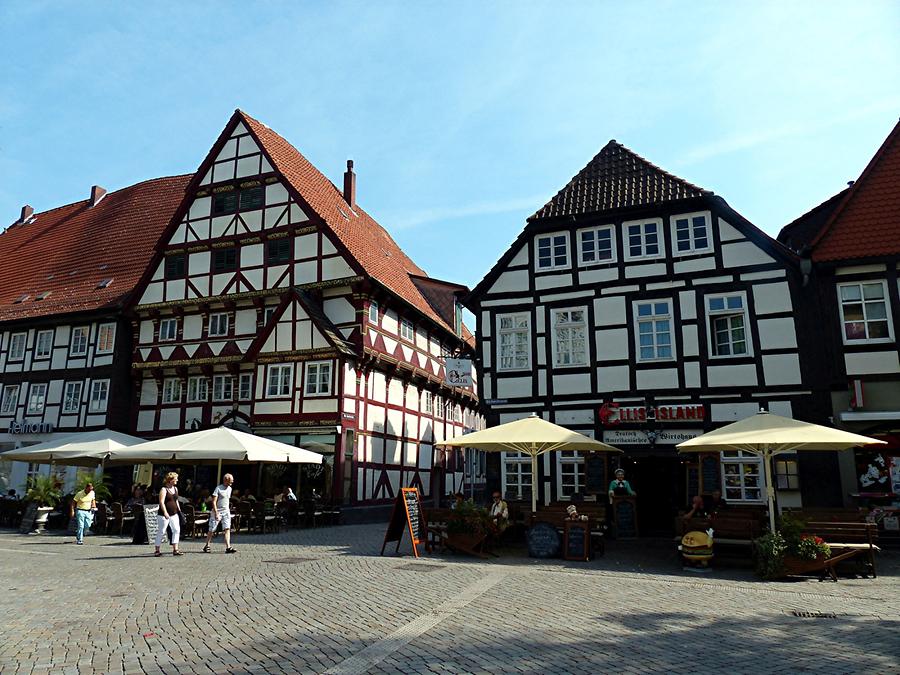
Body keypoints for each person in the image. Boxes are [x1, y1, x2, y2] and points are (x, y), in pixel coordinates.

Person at [203, 473, 237, 554]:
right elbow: (214, 501)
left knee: (227, 528)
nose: (232, 483)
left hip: (226, 511)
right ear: (225, 480)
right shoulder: (218, 488)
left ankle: (228, 547)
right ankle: (207, 545)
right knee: (212, 529)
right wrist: (216, 512)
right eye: (230, 481)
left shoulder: (230, 489)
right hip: (217, 511)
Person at [154, 472, 183, 557]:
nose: (177, 480)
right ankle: (157, 550)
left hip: (174, 513)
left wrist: (179, 510)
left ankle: (175, 549)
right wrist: (165, 512)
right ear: (170, 480)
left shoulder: (175, 489)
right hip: (164, 515)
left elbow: (176, 500)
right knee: (161, 531)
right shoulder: (164, 489)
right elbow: (161, 502)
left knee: (176, 530)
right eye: (175, 479)